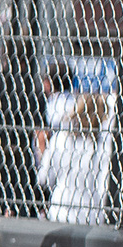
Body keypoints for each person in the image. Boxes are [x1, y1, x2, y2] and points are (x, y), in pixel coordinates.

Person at [36, 91, 112, 225]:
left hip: (59, 210)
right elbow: (103, 189)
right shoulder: (100, 148)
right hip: (89, 216)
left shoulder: (60, 139)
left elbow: (44, 178)